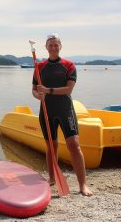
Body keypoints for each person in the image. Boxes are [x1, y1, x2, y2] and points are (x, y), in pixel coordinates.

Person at [32, 33, 92, 196]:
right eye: (50, 44)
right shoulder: (39, 66)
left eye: (56, 44)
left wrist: (48, 91)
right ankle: (52, 178)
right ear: (46, 47)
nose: (53, 47)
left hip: (65, 110)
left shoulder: (69, 65)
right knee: (51, 147)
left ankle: (82, 185)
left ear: (60, 46)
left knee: (74, 145)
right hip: (46, 111)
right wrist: (39, 95)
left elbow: (68, 89)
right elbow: (34, 89)